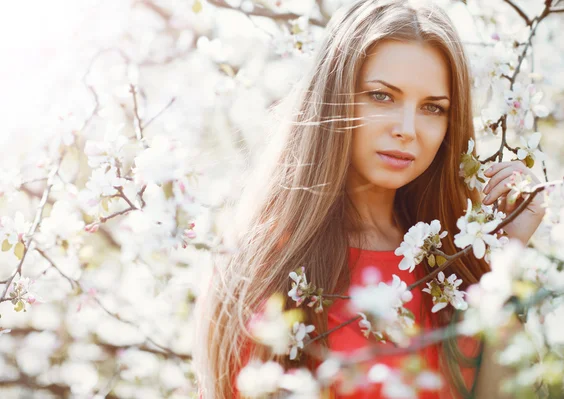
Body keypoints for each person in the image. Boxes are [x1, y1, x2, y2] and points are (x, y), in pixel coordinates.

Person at [193, 0, 545, 397]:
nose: (407, 129)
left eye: (432, 107)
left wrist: (504, 260)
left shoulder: (453, 266)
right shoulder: (265, 265)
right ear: (335, 96)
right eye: (382, 96)